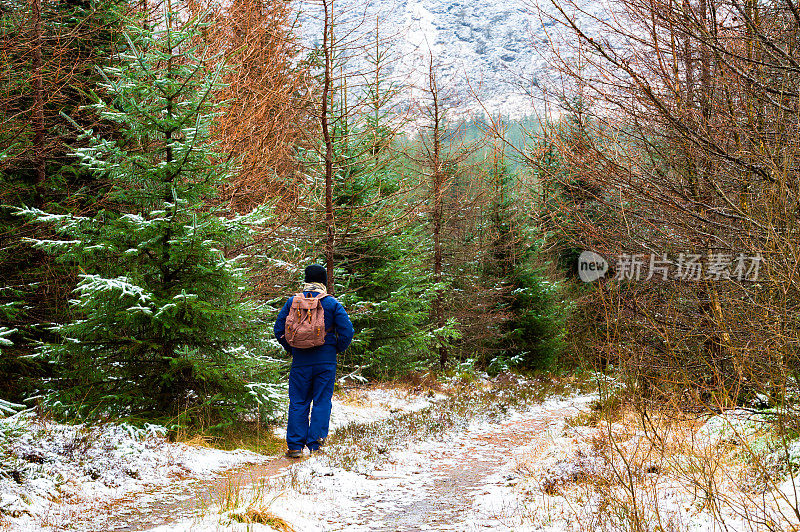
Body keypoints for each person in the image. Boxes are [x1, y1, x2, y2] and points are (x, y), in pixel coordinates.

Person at [274, 264, 354, 458]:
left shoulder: (293, 302)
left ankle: (294, 447)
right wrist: (334, 349)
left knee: (298, 401)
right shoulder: (331, 303)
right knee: (321, 401)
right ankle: (316, 446)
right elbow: (347, 331)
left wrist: (293, 349)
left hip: (300, 361)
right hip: (325, 362)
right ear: (323, 281)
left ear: (306, 280)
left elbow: (279, 330)